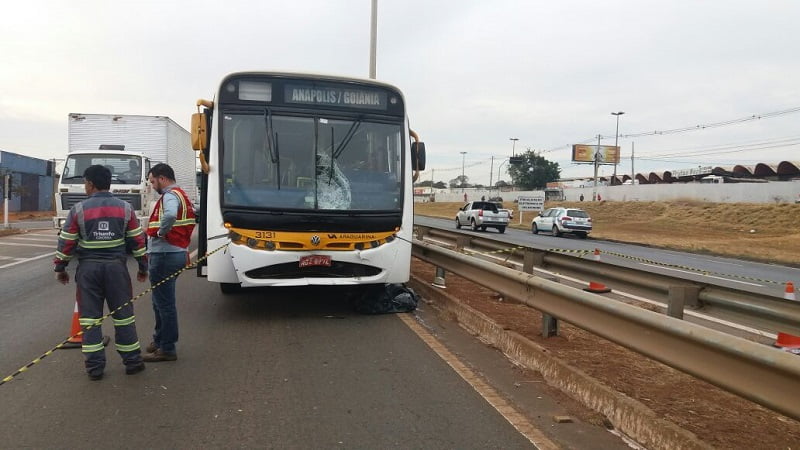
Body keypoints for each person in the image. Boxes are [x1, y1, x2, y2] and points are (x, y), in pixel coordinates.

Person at [54, 165, 148, 381]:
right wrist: (143, 267)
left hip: (89, 271)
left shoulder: (78, 210)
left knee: (90, 320)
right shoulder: (125, 208)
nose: (85, 187)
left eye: (85, 183)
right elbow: (138, 241)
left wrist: (60, 268)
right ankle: (133, 362)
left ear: (90, 184)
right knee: (124, 317)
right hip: (116, 270)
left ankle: (95, 368)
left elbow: (66, 243)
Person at [143, 163, 196, 362]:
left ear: (162, 178)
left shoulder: (170, 196)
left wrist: (160, 232)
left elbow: (171, 215)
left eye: (152, 181)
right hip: (175, 252)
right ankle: (159, 340)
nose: (152, 185)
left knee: (164, 303)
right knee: (160, 301)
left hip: (164, 254)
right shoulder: (182, 195)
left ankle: (167, 347)